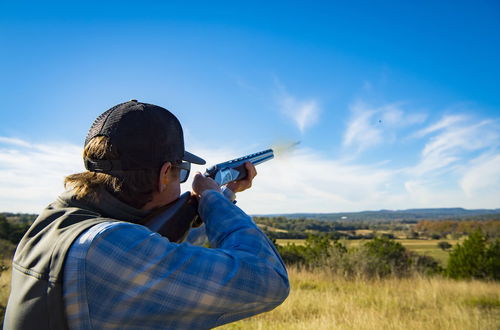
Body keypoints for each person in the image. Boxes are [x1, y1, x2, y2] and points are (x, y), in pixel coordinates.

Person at [4, 100, 289, 329]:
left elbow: (165, 246)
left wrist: (225, 193)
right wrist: (212, 198)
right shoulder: (107, 244)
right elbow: (269, 279)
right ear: (165, 174)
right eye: (181, 174)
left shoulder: (59, 220)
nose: (182, 184)